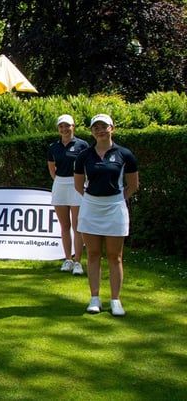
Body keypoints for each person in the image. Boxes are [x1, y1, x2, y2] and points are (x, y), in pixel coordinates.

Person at [74, 114, 139, 316]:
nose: (100, 130)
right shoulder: (84, 156)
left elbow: (133, 185)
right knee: (93, 254)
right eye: (96, 127)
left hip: (115, 209)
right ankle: (94, 298)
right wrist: (95, 199)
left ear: (112, 128)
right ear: (92, 131)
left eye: (104, 126)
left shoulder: (125, 154)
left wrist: (116, 199)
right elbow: (78, 185)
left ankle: (115, 300)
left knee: (115, 257)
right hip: (91, 208)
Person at [48, 114, 90, 275]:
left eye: (67, 126)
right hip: (60, 184)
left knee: (77, 226)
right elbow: (52, 168)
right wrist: (59, 180)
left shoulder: (82, 145)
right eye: (61, 126)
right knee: (65, 226)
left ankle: (78, 262)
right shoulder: (53, 147)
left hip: (76, 185)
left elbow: (88, 166)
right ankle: (68, 259)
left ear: (73, 126)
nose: (64, 129)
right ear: (58, 128)